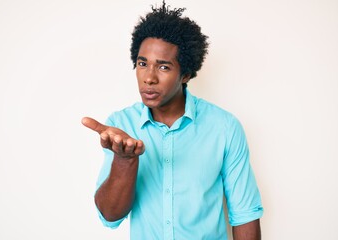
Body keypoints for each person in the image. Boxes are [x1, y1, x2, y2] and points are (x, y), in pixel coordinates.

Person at [82, 1, 263, 239]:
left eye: (164, 67)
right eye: (142, 63)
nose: (149, 78)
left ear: (185, 74)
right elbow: (109, 215)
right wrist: (124, 161)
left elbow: (244, 214)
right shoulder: (121, 125)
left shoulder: (224, 127)